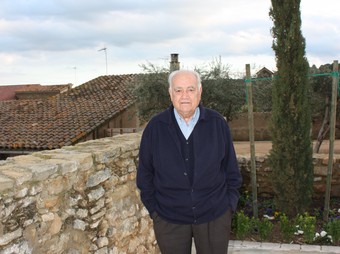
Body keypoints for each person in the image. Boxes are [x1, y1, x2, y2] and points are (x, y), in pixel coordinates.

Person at [136, 69, 242, 254]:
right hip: (169, 218)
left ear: (200, 91)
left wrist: (228, 206)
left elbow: (231, 170)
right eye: (178, 90)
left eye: (190, 89)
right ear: (170, 93)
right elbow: (145, 174)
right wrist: (155, 212)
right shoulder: (155, 127)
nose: (184, 96)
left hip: (214, 215)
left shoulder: (217, 123)